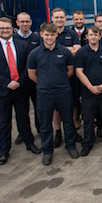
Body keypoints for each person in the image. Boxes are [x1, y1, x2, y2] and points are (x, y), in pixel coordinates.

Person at [0, 17, 41, 165]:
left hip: (20, 89)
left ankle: (30, 143)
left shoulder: (22, 45)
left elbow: (27, 66)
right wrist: (7, 83)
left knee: (24, 118)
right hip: (1, 91)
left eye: (7, 28)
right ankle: (4, 151)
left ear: (12, 29)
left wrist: (19, 82)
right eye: (1, 28)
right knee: (4, 122)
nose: (5, 31)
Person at [27, 22, 80, 165]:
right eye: (47, 35)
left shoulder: (65, 52)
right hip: (44, 93)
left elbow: (70, 70)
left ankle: (71, 146)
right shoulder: (34, 53)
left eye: (52, 35)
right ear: (42, 35)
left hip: (63, 91)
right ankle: (47, 151)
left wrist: (59, 82)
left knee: (68, 121)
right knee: (45, 124)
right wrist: (45, 83)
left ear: (56, 34)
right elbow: (31, 74)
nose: (49, 37)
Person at [75, 26, 102, 156]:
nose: (93, 37)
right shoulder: (81, 53)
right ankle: (87, 143)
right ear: (86, 36)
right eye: (91, 35)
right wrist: (90, 87)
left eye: (96, 34)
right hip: (88, 93)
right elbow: (78, 71)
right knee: (88, 119)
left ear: (100, 36)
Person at [51, 8, 81, 146]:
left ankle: (74, 130)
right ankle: (58, 132)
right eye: (56, 17)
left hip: (71, 75)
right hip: (54, 76)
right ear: (52, 18)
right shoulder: (49, 34)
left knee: (73, 103)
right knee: (56, 107)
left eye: (61, 17)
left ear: (65, 18)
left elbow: (77, 50)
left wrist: (58, 49)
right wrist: (68, 50)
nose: (59, 20)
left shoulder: (72, 33)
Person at [13, 12, 41, 141]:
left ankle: (40, 129)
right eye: (22, 21)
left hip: (36, 80)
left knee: (39, 108)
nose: (25, 24)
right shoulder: (12, 39)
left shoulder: (37, 38)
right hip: (20, 81)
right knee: (22, 110)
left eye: (27, 21)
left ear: (31, 22)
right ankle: (23, 133)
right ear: (17, 23)